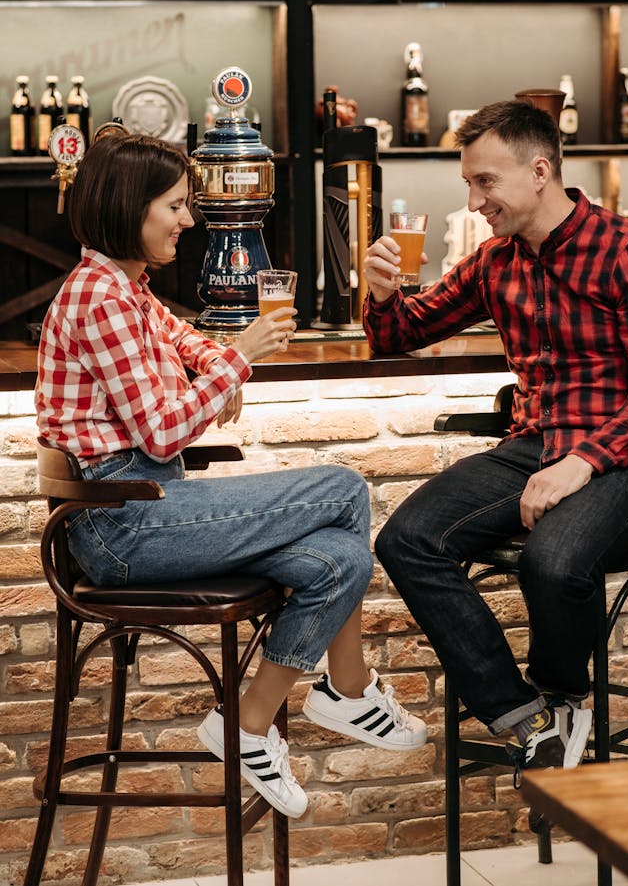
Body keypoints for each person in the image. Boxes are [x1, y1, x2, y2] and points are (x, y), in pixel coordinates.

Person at [35, 132, 427, 820]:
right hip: (122, 524)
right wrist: (240, 358)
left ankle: (247, 723)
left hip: (149, 503)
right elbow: (162, 432)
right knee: (341, 488)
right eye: (175, 206)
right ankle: (345, 689)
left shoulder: (125, 287)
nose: (187, 220)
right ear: (130, 207)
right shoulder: (99, 298)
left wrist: (217, 364)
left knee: (341, 559)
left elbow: (185, 341)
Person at [362, 100, 628, 780]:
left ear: (540, 171)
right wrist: (384, 294)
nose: (474, 201)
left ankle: (565, 696)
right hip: (532, 448)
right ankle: (526, 716)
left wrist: (583, 461)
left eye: (486, 182)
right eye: (469, 184)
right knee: (406, 539)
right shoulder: (496, 261)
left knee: (554, 559)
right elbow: (401, 333)